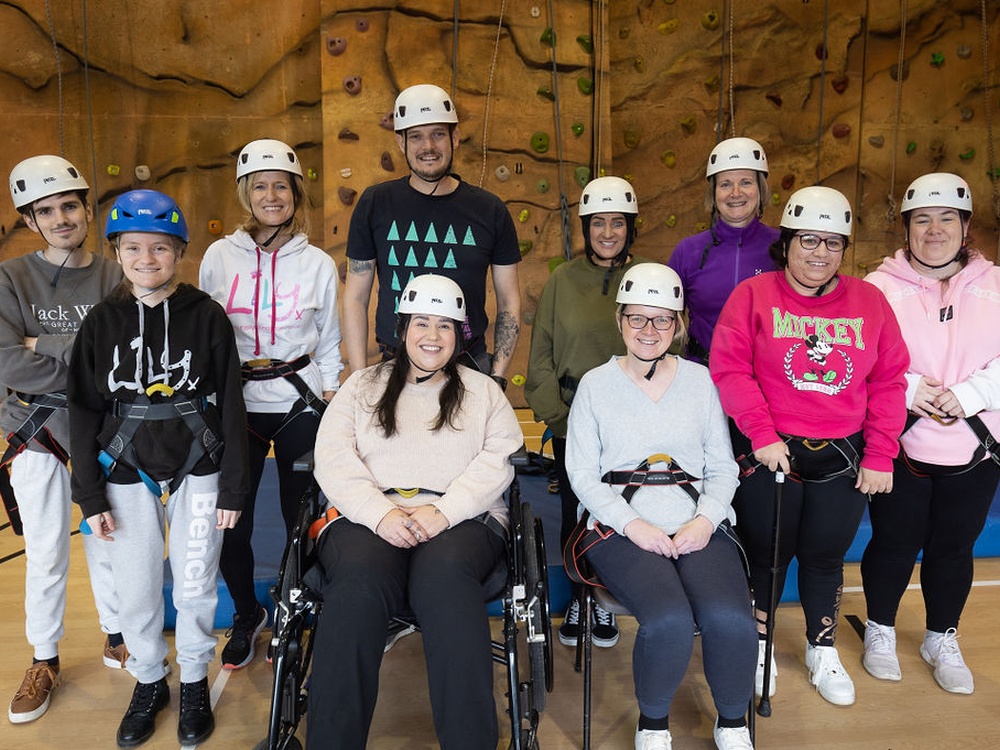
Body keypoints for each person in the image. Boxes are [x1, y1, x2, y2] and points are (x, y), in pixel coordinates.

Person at [710, 186, 909, 707]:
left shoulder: (870, 302)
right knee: (765, 557)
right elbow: (729, 369)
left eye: (832, 243)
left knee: (825, 556)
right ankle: (758, 644)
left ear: (844, 249)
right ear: (787, 243)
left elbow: (890, 380)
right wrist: (760, 433)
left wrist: (881, 452)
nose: (819, 253)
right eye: (808, 241)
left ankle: (822, 647)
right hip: (771, 451)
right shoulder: (753, 297)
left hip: (842, 455)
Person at [307, 274, 522, 749]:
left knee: (445, 580)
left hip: (460, 519)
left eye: (445, 326)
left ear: (460, 334)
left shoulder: (483, 391)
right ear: (402, 328)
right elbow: (334, 457)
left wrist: (443, 512)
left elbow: (499, 459)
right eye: (422, 323)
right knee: (358, 583)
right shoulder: (362, 386)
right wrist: (378, 513)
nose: (432, 335)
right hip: (368, 515)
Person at [68, 189, 248, 747]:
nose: (148, 259)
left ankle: (193, 677)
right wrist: (89, 497)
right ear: (117, 251)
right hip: (123, 467)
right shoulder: (101, 321)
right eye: (134, 248)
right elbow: (81, 407)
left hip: (200, 464)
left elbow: (233, 403)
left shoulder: (206, 316)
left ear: (180, 251)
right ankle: (150, 679)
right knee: (138, 587)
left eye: (161, 248)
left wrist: (235, 490)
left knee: (195, 584)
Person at [565, 263, 755, 750]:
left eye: (662, 320)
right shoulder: (594, 386)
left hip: (695, 521)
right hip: (621, 527)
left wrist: (706, 520)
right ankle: (653, 725)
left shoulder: (701, 381)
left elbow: (724, 467)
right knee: (667, 618)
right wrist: (633, 525)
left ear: (679, 323)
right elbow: (583, 475)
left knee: (730, 616)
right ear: (620, 320)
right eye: (637, 319)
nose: (649, 331)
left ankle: (733, 722)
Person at [199, 138, 343, 669]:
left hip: (298, 401)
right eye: (260, 186)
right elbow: (205, 334)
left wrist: (328, 401)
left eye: (281, 185)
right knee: (230, 518)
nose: (271, 195)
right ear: (246, 194)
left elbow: (329, 341)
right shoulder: (219, 257)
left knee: (298, 514)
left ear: (296, 192)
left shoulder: (318, 264)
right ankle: (245, 613)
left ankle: (295, 603)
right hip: (237, 402)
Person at [861, 173, 1000, 695]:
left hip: (976, 443)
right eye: (922, 220)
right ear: (907, 228)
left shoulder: (996, 284)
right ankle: (879, 629)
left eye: (947, 219)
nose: (934, 230)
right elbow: (860, 356)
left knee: (954, 547)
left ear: (965, 227)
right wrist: (909, 386)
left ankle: (941, 635)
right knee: (894, 542)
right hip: (901, 440)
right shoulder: (877, 288)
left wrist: (974, 392)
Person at [2, 155, 125, 725]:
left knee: (110, 537)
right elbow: (7, 365)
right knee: (47, 550)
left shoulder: (113, 274)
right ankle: (44, 658)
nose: (60, 218)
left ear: (86, 210)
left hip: (99, 427)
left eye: (69, 206)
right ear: (31, 221)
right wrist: (76, 350)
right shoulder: (9, 277)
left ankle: (118, 634)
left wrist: (39, 343)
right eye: (45, 211)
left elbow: (121, 356)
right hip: (34, 430)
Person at [525, 175, 653, 650]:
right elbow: (541, 355)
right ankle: (580, 593)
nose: (606, 232)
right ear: (585, 227)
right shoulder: (562, 281)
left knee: (621, 505)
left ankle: (607, 597)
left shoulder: (647, 277)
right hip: (573, 412)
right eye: (597, 223)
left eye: (616, 223)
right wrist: (558, 417)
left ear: (629, 228)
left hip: (631, 416)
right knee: (573, 507)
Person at [342, 82, 521, 387]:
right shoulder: (375, 203)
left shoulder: (489, 210)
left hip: (468, 367)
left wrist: (498, 376)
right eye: (416, 137)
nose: (428, 147)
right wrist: (359, 377)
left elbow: (509, 300)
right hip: (395, 366)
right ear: (401, 143)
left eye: (438, 134)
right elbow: (355, 298)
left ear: (455, 137)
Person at [668, 137, 778, 365]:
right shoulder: (688, 251)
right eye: (725, 184)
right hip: (702, 376)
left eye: (746, 182)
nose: (735, 193)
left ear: (761, 188)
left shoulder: (782, 248)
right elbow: (664, 317)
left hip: (766, 378)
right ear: (714, 192)